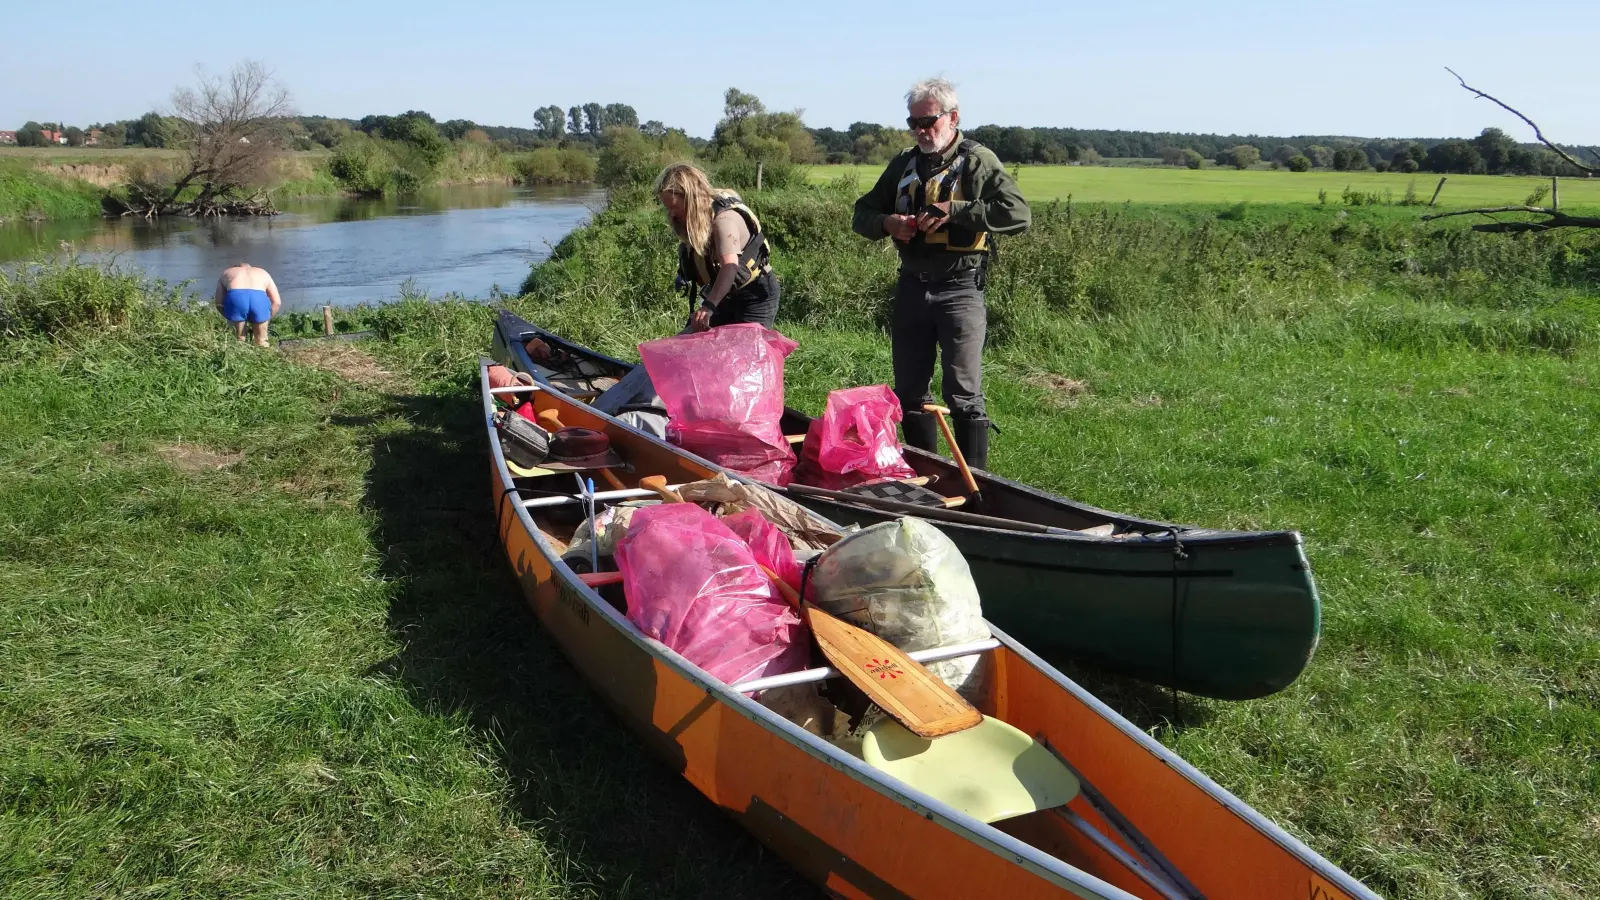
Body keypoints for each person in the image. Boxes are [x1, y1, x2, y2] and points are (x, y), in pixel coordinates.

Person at [851, 78, 1030, 470]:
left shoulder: (978, 161)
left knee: (963, 393)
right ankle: (927, 479)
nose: (920, 131)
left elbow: (1018, 215)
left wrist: (956, 210)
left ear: (952, 117)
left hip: (961, 289)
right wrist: (888, 224)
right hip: (912, 287)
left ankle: (977, 486)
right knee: (910, 393)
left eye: (927, 121)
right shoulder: (904, 163)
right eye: (912, 123)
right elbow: (860, 214)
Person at [655, 163, 780, 332]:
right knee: (685, 345)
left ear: (692, 200)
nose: (671, 214)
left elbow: (730, 266)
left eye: (674, 207)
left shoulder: (724, 221)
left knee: (745, 354)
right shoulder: (696, 220)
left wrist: (708, 306)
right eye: (667, 208)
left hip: (755, 296)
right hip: (722, 294)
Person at [213, 262, 282, 347]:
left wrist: (230, 317)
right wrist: (266, 318)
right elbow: (277, 303)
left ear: (236, 268)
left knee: (239, 340)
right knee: (262, 340)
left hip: (236, 297)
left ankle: (239, 354)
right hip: (258, 298)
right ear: (251, 267)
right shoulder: (263, 272)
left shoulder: (227, 272)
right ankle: (265, 357)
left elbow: (219, 303)